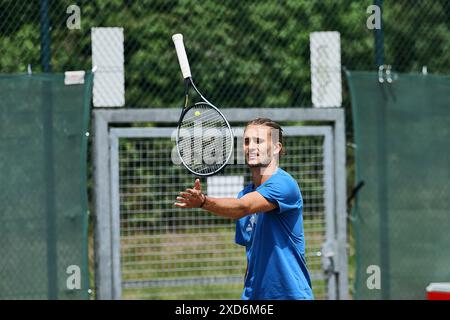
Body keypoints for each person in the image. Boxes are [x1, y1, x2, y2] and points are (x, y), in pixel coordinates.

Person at [174, 118, 314, 300]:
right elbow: (252, 257)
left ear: (277, 148)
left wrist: (204, 202)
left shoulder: (284, 184)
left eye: (259, 141)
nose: (251, 146)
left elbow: (243, 207)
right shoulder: (245, 193)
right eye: (247, 141)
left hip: (290, 295)